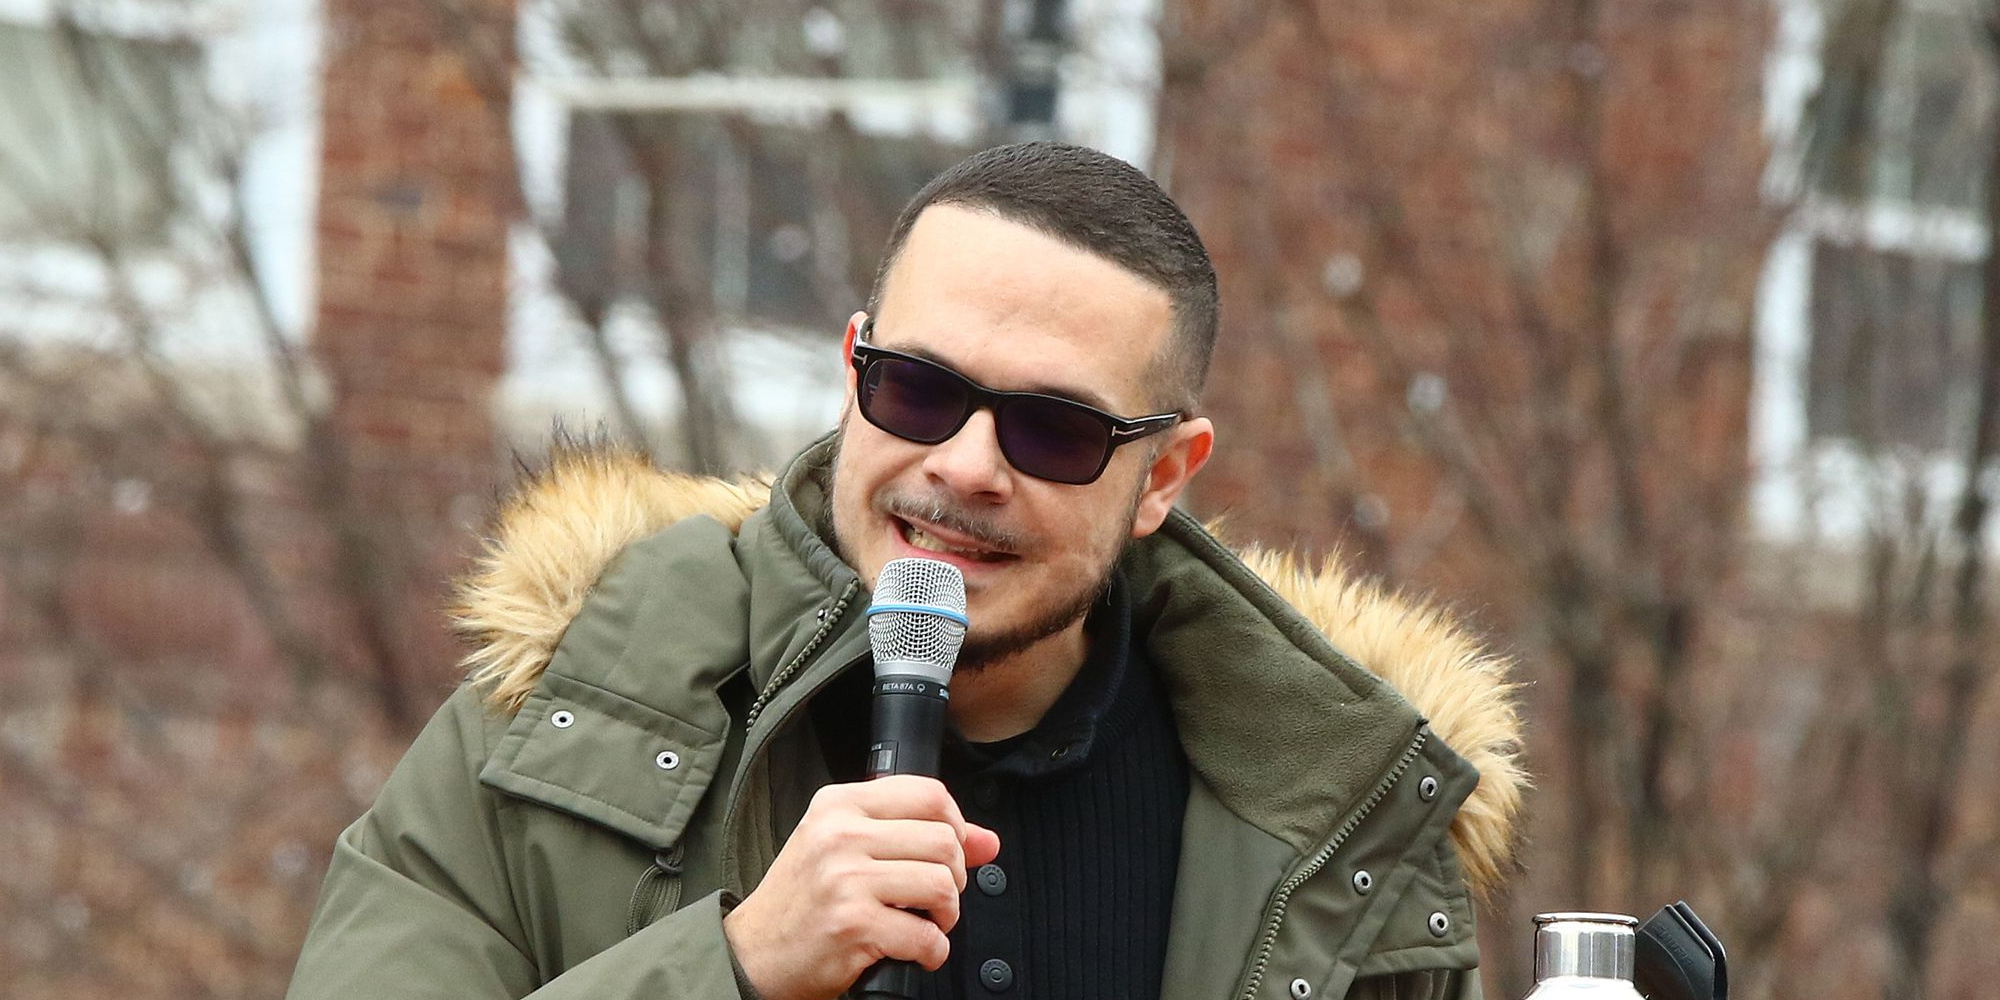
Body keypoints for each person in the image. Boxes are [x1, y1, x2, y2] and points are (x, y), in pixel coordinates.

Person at [285, 141, 1525, 1000]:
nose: (967, 466)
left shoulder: (1338, 820)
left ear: (1162, 476)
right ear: (852, 371)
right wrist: (732, 968)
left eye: (1052, 428)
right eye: (920, 390)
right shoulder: (560, 725)